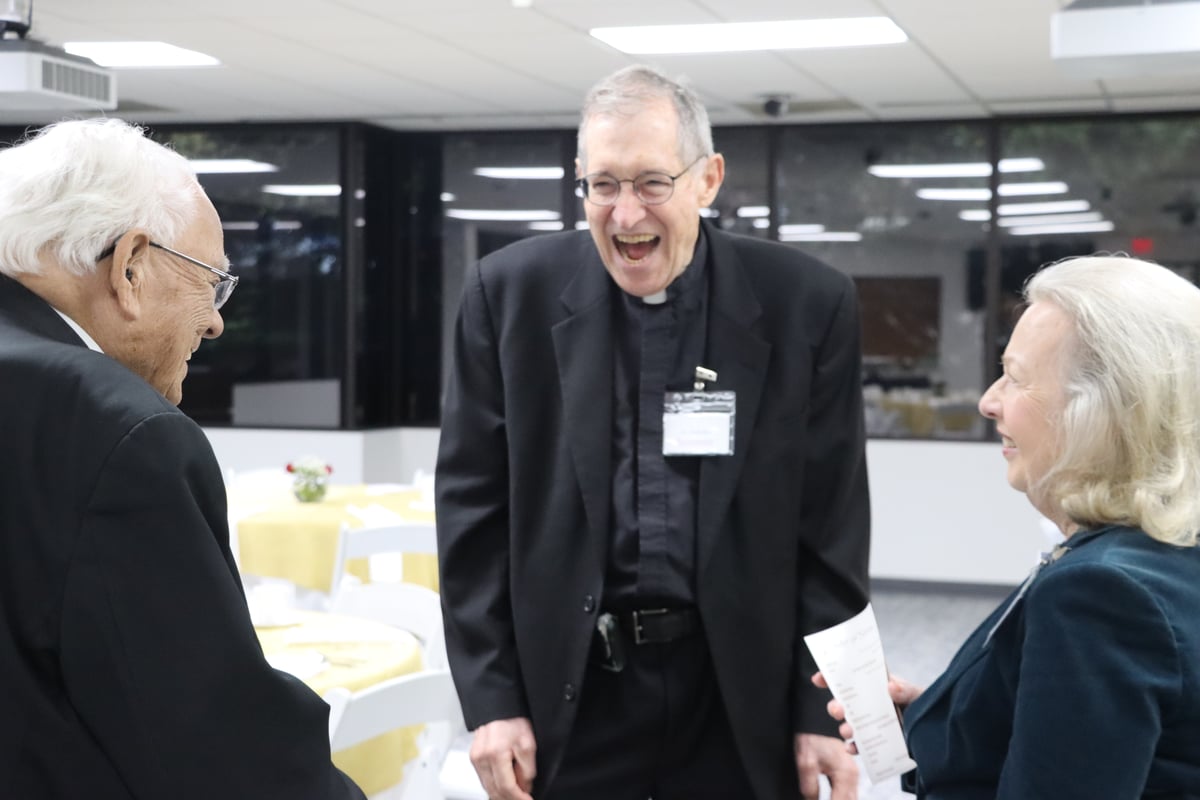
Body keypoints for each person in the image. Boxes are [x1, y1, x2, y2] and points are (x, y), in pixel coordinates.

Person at [435, 64, 871, 800]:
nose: (626, 215)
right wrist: (493, 701)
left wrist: (821, 708)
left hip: (738, 696)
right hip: (572, 696)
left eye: (651, 183)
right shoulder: (506, 297)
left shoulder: (806, 304)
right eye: (603, 184)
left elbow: (831, 534)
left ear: (708, 180)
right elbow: (473, 521)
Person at [0, 119, 364, 800]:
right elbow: (225, 752)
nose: (217, 321)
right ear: (131, 264)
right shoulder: (118, 430)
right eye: (210, 282)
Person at [821, 254, 1200, 798]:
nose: (987, 401)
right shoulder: (1164, 553)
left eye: (1014, 379)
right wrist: (939, 720)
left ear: (1101, 411)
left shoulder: (1101, 592)